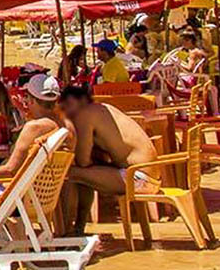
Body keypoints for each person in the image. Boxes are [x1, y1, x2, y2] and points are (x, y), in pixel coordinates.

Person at [59, 84, 160, 236]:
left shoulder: (84, 115)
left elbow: (82, 161)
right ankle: (77, 228)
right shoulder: (104, 108)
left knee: (69, 173)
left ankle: (66, 232)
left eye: (66, 106)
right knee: (84, 176)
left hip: (138, 179)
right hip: (147, 175)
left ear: (77, 101)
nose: (66, 112)